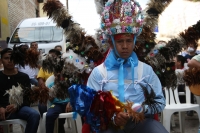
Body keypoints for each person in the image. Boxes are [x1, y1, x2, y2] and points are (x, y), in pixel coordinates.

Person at [0, 48, 40, 133]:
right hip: (1, 110)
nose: (10, 60)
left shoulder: (23, 77)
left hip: (19, 109)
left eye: (12, 58)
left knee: (34, 115)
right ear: (1, 60)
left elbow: (28, 98)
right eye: (6, 58)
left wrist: (16, 105)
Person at [37, 49, 61, 117]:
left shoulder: (62, 67)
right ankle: (45, 120)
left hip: (61, 90)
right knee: (42, 104)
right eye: (49, 56)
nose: (50, 58)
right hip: (48, 90)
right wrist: (46, 90)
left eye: (53, 56)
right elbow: (40, 80)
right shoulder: (44, 67)